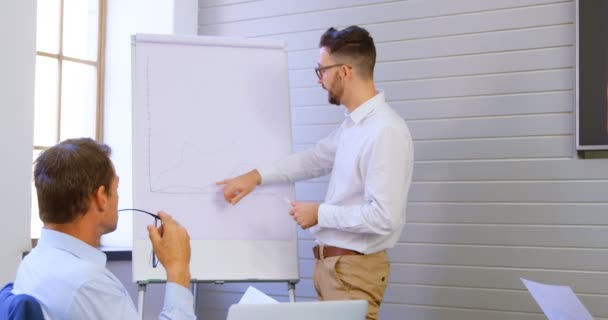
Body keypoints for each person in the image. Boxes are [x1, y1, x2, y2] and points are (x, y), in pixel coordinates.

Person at [217, 26, 413, 320]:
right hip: (335, 272)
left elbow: (384, 218)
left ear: (344, 71)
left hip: (353, 274)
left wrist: (320, 213)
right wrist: (255, 176)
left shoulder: (385, 131)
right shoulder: (354, 126)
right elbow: (314, 159)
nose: (319, 79)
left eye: (322, 70)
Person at [12, 138, 195, 319]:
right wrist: (178, 268)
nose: (117, 198)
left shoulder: (32, 263)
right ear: (101, 197)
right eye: (116, 188)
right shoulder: (88, 284)